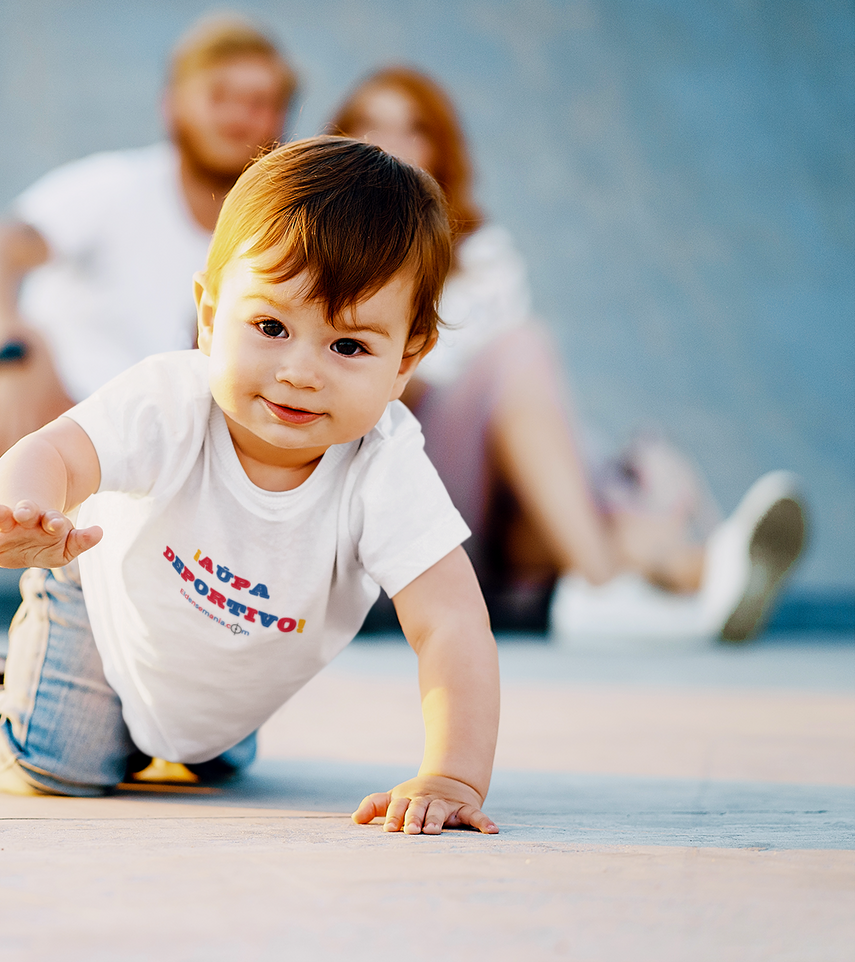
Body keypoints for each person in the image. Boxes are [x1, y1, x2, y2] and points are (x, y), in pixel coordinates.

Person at [0, 137, 500, 834]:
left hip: (225, 676)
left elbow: (450, 622)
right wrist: (26, 509)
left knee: (207, 760)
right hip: (103, 605)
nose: (300, 370)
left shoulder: (383, 467)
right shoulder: (168, 401)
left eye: (348, 345)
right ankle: (0, 693)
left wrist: (451, 774)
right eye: (269, 326)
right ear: (209, 317)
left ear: (405, 362)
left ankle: (184, 735)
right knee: (65, 762)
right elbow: (55, 451)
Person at [328, 66, 806, 644]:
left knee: (528, 381)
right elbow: (387, 390)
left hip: (499, 522)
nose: (389, 144)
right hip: (399, 489)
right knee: (523, 349)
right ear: (341, 139)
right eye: (370, 126)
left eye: (412, 129)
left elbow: (519, 414)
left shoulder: (481, 257)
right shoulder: (324, 250)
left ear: (440, 146)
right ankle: (661, 576)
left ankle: (691, 577)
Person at [0, 14, 296, 471]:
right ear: (172, 105)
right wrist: (8, 351)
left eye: (260, 102)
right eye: (219, 95)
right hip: (59, 436)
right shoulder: (114, 188)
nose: (238, 116)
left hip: (178, 469)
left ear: (283, 118)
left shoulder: (284, 234)